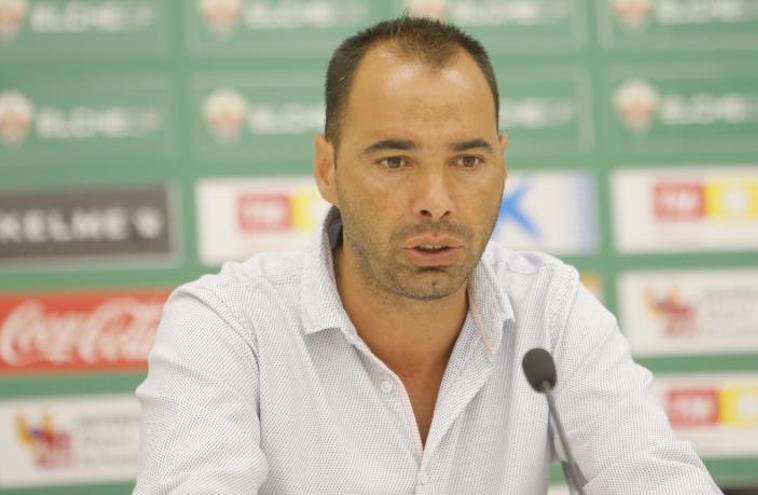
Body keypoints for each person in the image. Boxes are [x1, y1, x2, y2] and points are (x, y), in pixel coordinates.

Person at [134, 16, 721, 494]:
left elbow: (654, 478)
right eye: (394, 161)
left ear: (502, 162)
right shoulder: (226, 324)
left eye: (468, 161)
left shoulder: (553, 311)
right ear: (326, 169)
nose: (436, 203)